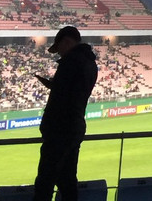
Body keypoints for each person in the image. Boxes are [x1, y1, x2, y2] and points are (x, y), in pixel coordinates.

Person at [32, 26, 98, 201]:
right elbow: (71, 90)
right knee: (67, 180)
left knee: (45, 181)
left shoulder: (71, 62)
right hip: (74, 127)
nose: (59, 53)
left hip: (60, 130)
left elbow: (63, 95)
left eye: (59, 48)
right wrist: (52, 84)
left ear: (67, 42)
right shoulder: (89, 63)